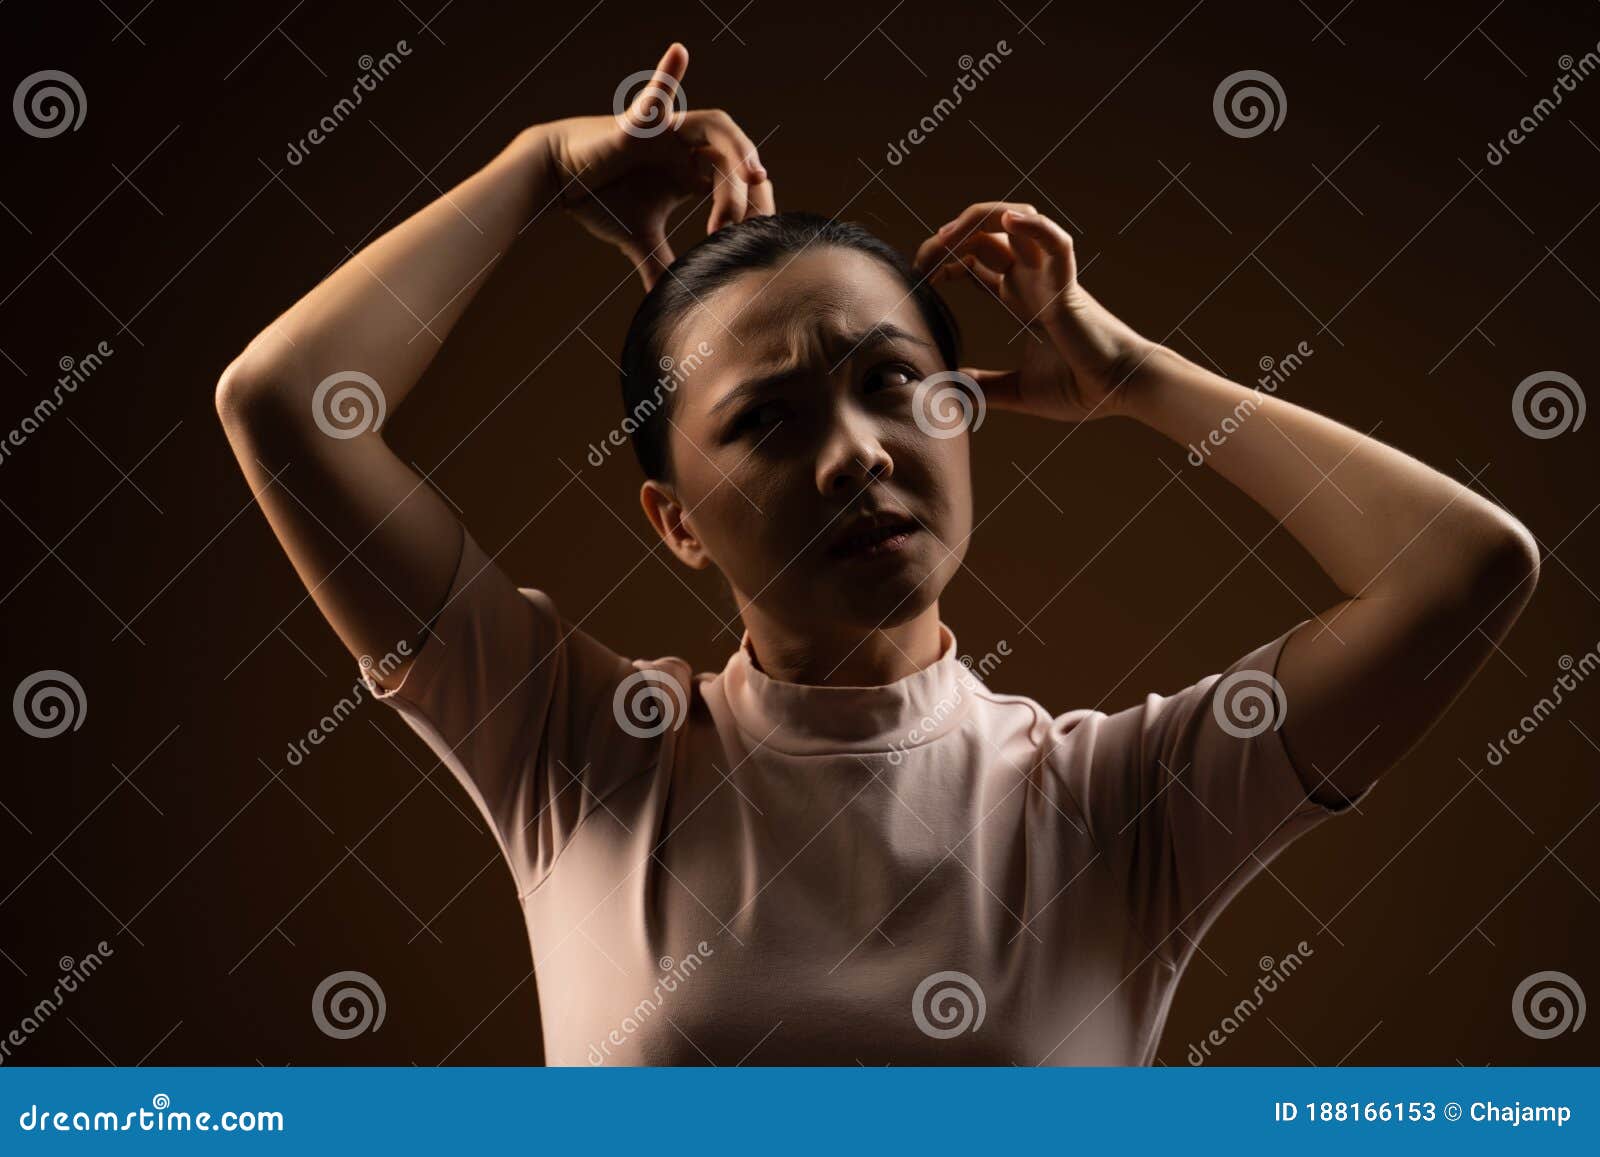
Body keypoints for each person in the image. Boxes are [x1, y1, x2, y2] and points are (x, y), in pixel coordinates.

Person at [215, 44, 1540, 1064]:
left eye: (895, 384)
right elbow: (282, 405)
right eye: (767, 421)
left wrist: (1143, 377)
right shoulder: (575, 749)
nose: (855, 454)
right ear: (674, 517)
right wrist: (539, 169)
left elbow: (1468, 567)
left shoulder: (1121, 803)